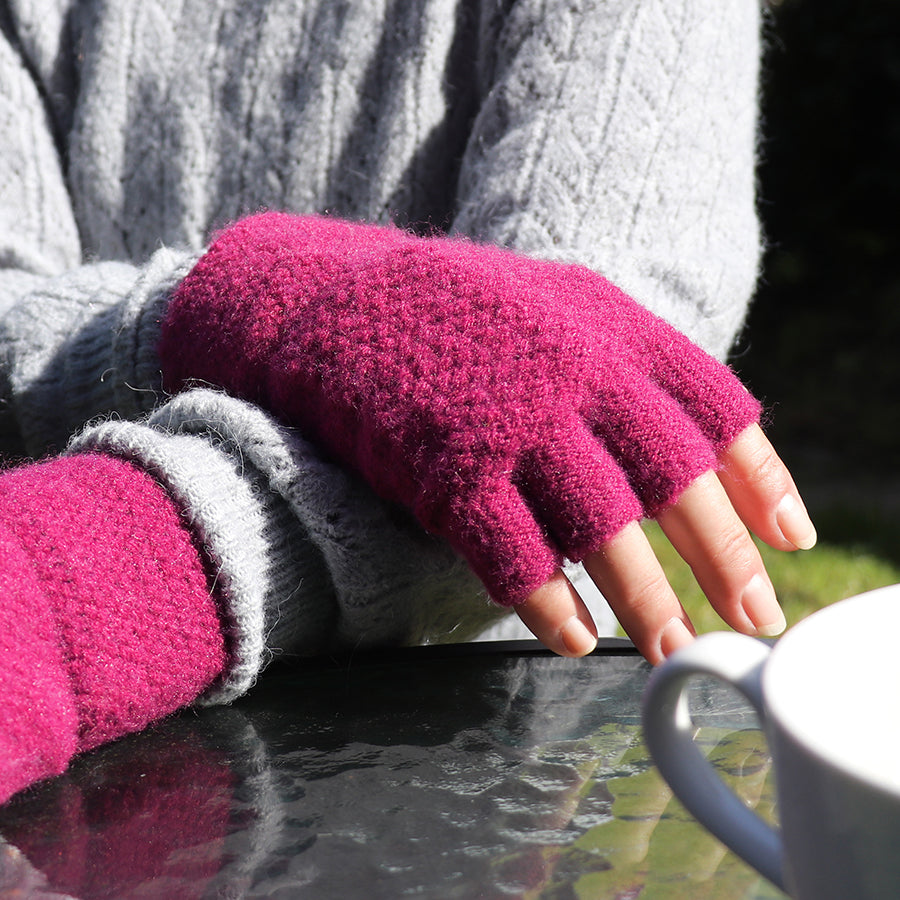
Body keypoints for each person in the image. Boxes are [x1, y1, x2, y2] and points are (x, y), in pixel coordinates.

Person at [0, 0, 815, 803]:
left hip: (460, 750)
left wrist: (77, 581)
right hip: (86, 790)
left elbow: (577, 405)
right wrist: (230, 307)